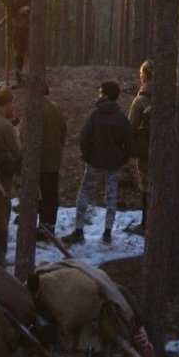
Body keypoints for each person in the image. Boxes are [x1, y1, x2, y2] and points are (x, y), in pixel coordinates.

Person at [63, 81, 133, 246]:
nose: (99, 94)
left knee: (84, 194)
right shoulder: (122, 118)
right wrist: (122, 158)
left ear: (106, 95)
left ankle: (79, 231)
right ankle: (107, 233)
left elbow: (84, 138)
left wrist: (88, 156)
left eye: (101, 92)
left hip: (94, 162)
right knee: (112, 196)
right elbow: (129, 144)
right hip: (114, 164)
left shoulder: (94, 115)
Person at [0, 87, 23, 264]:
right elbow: (17, 152)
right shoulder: (4, 125)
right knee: (2, 215)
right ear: (8, 103)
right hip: (2, 176)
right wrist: (17, 131)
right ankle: (0, 255)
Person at [33, 84, 68, 235]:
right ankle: (50, 224)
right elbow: (64, 132)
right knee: (51, 193)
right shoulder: (56, 108)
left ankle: (43, 225)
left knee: (40, 193)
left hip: (39, 159)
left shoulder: (35, 110)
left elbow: (25, 135)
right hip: (54, 157)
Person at [126, 60, 153, 235]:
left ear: (143, 76)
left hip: (147, 149)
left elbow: (130, 127)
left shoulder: (140, 101)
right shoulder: (172, 94)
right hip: (170, 149)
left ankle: (146, 224)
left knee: (147, 185)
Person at [2, 0, 33, 87]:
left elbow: (37, 6)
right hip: (19, 26)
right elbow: (10, 8)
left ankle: (32, 80)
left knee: (31, 53)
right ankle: (19, 80)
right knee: (19, 53)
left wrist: (29, 9)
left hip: (31, 27)